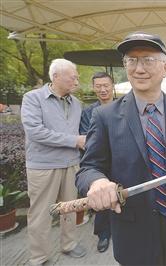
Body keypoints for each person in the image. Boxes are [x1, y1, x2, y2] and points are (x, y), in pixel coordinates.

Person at [76, 32, 166, 265]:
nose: (139, 68)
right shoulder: (104, 116)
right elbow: (88, 167)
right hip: (133, 238)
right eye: (131, 60)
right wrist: (97, 182)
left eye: (148, 60)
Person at [21, 58, 87, 266]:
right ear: (56, 76)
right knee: (41, 213)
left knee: (69, 209)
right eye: (72, 76)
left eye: (77, 77)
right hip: (43, 166)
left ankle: (69, 244)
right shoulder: (33, 98)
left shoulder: (77, 103)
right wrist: (74, 141)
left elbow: (80, 132)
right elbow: (35, 132)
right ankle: (39, 257)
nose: (76, 81)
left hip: (71, 164)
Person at [79, 72, 114, 253]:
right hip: (100, 164)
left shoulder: (123, 107)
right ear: (93, 88)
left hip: (122, 160)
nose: (103, 89)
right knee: (101, 198)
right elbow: (87, 140)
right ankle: (103, 234)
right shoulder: (88, 112)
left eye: (106, 85)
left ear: (113, 86)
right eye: (98, 86)